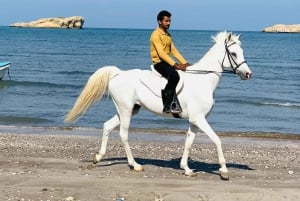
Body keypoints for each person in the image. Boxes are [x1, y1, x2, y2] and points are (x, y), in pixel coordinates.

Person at [150, 10, 191, 113]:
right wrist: (176, 65)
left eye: (169, 21)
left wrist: (185, 63)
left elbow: (174, 51)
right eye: (166, 21)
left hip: (167, 62)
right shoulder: (155, 35)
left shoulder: (168, 35)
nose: (169, 23)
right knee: (174, 76)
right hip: (159, 63)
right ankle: (167, 105)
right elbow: (161, 53)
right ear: (160, 21)